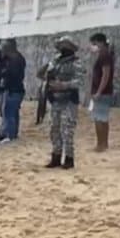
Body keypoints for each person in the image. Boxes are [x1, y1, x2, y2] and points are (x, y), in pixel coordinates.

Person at [37, 36, 83, 169]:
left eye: (66, 45)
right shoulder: (55, 62)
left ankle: (69, 159)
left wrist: (63, 85)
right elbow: (41, 75)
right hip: (55, 100)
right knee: (54, 129)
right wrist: (47, 69)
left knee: (67, 130)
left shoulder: (76, 63)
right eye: (61, 45)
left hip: (69, 100)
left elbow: (80, 81)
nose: (63, 48)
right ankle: (56, 157)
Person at [89, 33, 114, 152]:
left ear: (100, 42)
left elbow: (106, 74)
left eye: (94, 43)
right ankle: (104, 143)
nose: (93, 46)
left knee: (98, 118)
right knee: (103, 118)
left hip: (102, 92)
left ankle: (100, 144)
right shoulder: (105, 55)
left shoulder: (104, 55)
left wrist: (99, 91)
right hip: (105, 91)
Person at [0, 38, 26, 142]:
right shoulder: (14, 58)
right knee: (12, 112)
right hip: (15, 89)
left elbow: (13, 75)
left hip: (13, 90)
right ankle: (9, 132)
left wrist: (4, 74)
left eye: (4, 47)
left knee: (9, 112)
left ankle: (10, 135)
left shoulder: (15, 59)